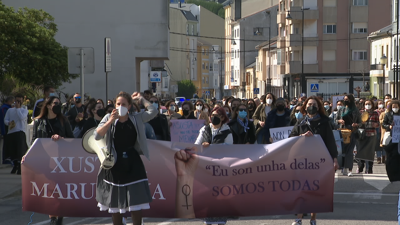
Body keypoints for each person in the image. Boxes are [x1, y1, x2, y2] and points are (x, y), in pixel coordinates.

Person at [94, 91, 157, 225]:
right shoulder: (108, 117)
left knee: (136, 203)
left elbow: (153, 111)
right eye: (118, 104)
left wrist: (141, 99)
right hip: (115, 162)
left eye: (124, 104)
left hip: (133, 162)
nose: (120, 106)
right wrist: (111, 120)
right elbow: (97, 135)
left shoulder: (136, 118)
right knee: (115, 205)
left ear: (129, 106)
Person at [289, 96, 339, 225]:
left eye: (315, 104)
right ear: (305, 106)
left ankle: (313, 219)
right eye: (309, 104)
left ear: (319, 107)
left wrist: (334, 159)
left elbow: (330, 142)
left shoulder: (324, 122)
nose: (312, 106)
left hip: (319, 160)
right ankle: (299, 218)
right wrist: (301, 136)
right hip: (302, 160)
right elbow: (291, 138)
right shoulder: (300, 122)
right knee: (301, 189)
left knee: (314, 190)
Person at [28, 96, 74, 225]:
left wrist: (61, 138)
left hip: (61, 161)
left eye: (58, 103)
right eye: (55, 103)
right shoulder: (39, 121)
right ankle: (53, 218)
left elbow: (72, 139)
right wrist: (28, 155)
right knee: (49, 190)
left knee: (60, 190)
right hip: (46, 161)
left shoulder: (64, 121)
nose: (57, 105)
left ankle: (59, 216)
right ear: (48, 105)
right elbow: (34, 141)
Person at [336, 94, 360, 177]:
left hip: (352, 131)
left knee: (349, 151)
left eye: (347, 99)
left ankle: (350, 169)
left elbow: (361, 122)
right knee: (342, 151)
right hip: (342, 131)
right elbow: (335, 120)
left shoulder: (355, 110)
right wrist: (339, 121)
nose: (345, 101)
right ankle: (343, 168)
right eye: (344, 99)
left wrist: (356, 124)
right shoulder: (341, 109)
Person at [4, 94, 28, 174]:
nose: (18, 102)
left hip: (20, 132)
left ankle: (20, 167)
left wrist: (18, 109)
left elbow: (21, 117)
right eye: (17, 100)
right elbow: (5, 120)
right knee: (12, 151)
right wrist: (9, 122)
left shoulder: (24, 110)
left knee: (20, 151)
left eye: (20, 100)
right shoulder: (10, 110)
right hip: (11, 132)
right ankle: (15, 165)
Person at [356, 99, 379, 174]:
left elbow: (378, 123)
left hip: (372, 134)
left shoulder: (375, 113)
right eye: (366, 104)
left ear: (372, 105)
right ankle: (361, 166)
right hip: (362, 134)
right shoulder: (361, 113)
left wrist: (376, 125)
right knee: (361, 150)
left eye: (369, 104)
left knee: (370, 152)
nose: (368, 105)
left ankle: (369, 168)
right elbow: (357, 123)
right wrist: (361, 123)